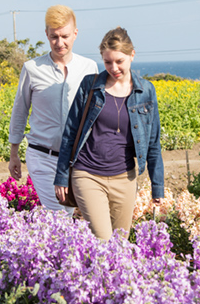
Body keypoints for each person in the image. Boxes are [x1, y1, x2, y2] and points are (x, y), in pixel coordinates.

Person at [54, 27, 164, 240]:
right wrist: (61, 175)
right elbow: (70, 132)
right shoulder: (90, 85)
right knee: (103, 240)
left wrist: (157, 187)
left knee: (120, 245)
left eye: (119, 61)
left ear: (132, 55)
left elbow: (153, 142)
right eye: (107, 62)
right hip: (87, 174)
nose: (113, 68)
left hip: (125, 178)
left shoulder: (146, 91)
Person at [8, 5, 98, 213]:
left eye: (65, 36)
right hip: (43, 157)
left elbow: (94, 115)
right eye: (54, 37)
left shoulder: (89, 68)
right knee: (59, 215)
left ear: (75, 34)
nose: (60, 43)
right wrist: (14, 153)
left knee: (80, 216)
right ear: (46, 35)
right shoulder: (32, 68)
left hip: (79, 159)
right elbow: (20, 111)